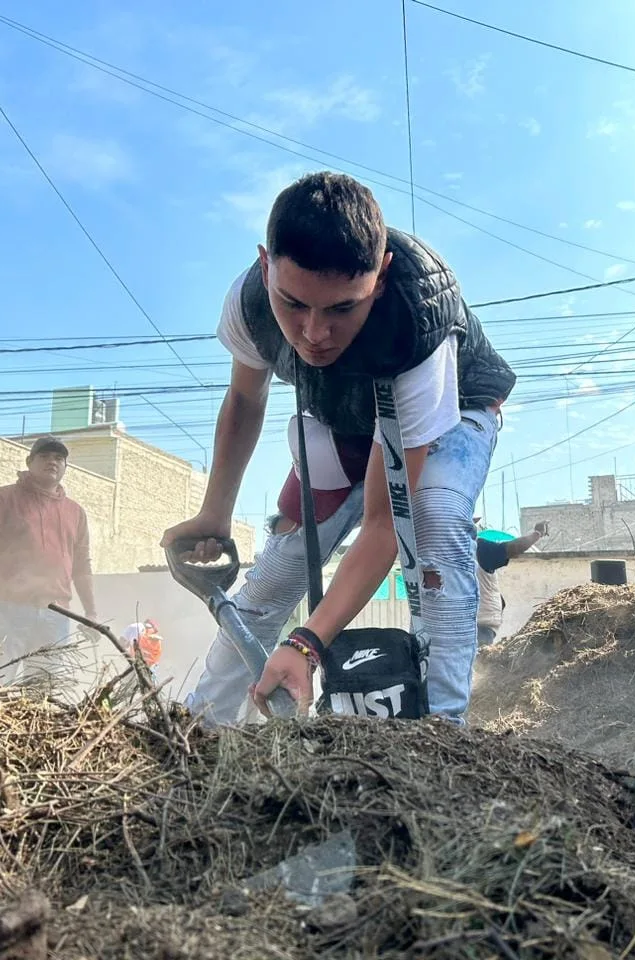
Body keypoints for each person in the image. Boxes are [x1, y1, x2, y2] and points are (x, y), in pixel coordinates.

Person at [161, 170, 516, 725]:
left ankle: (446, 731)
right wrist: (215, 514)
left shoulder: (417, 322)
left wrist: (306, 644)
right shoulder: (250, 304)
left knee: (434, 517)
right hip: (344, 418)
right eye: (294, 303)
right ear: (265, 265)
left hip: (454, 410)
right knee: (280, 569)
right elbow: (244, 400)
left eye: (342, 309)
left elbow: (383, 525)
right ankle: (202, 726)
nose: (313, 333)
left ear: (381, 278)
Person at [0, 436, 96, 683]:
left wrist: (91, 612)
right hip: (6, 608)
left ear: (66, 466)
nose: (52, 462)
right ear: (29, 462)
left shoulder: (75, 512)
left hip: (55, 614)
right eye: (44, 456)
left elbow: (82, 565)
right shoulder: (2, 499)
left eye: (59, 458)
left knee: (44, 693)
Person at [475, 520, 549, 648]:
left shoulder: (476, 548)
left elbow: (510, 549)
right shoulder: (476, 548)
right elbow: (511, 548)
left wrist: (536, 534)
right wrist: (537, 534)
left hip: (475, 625)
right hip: (477, 625)